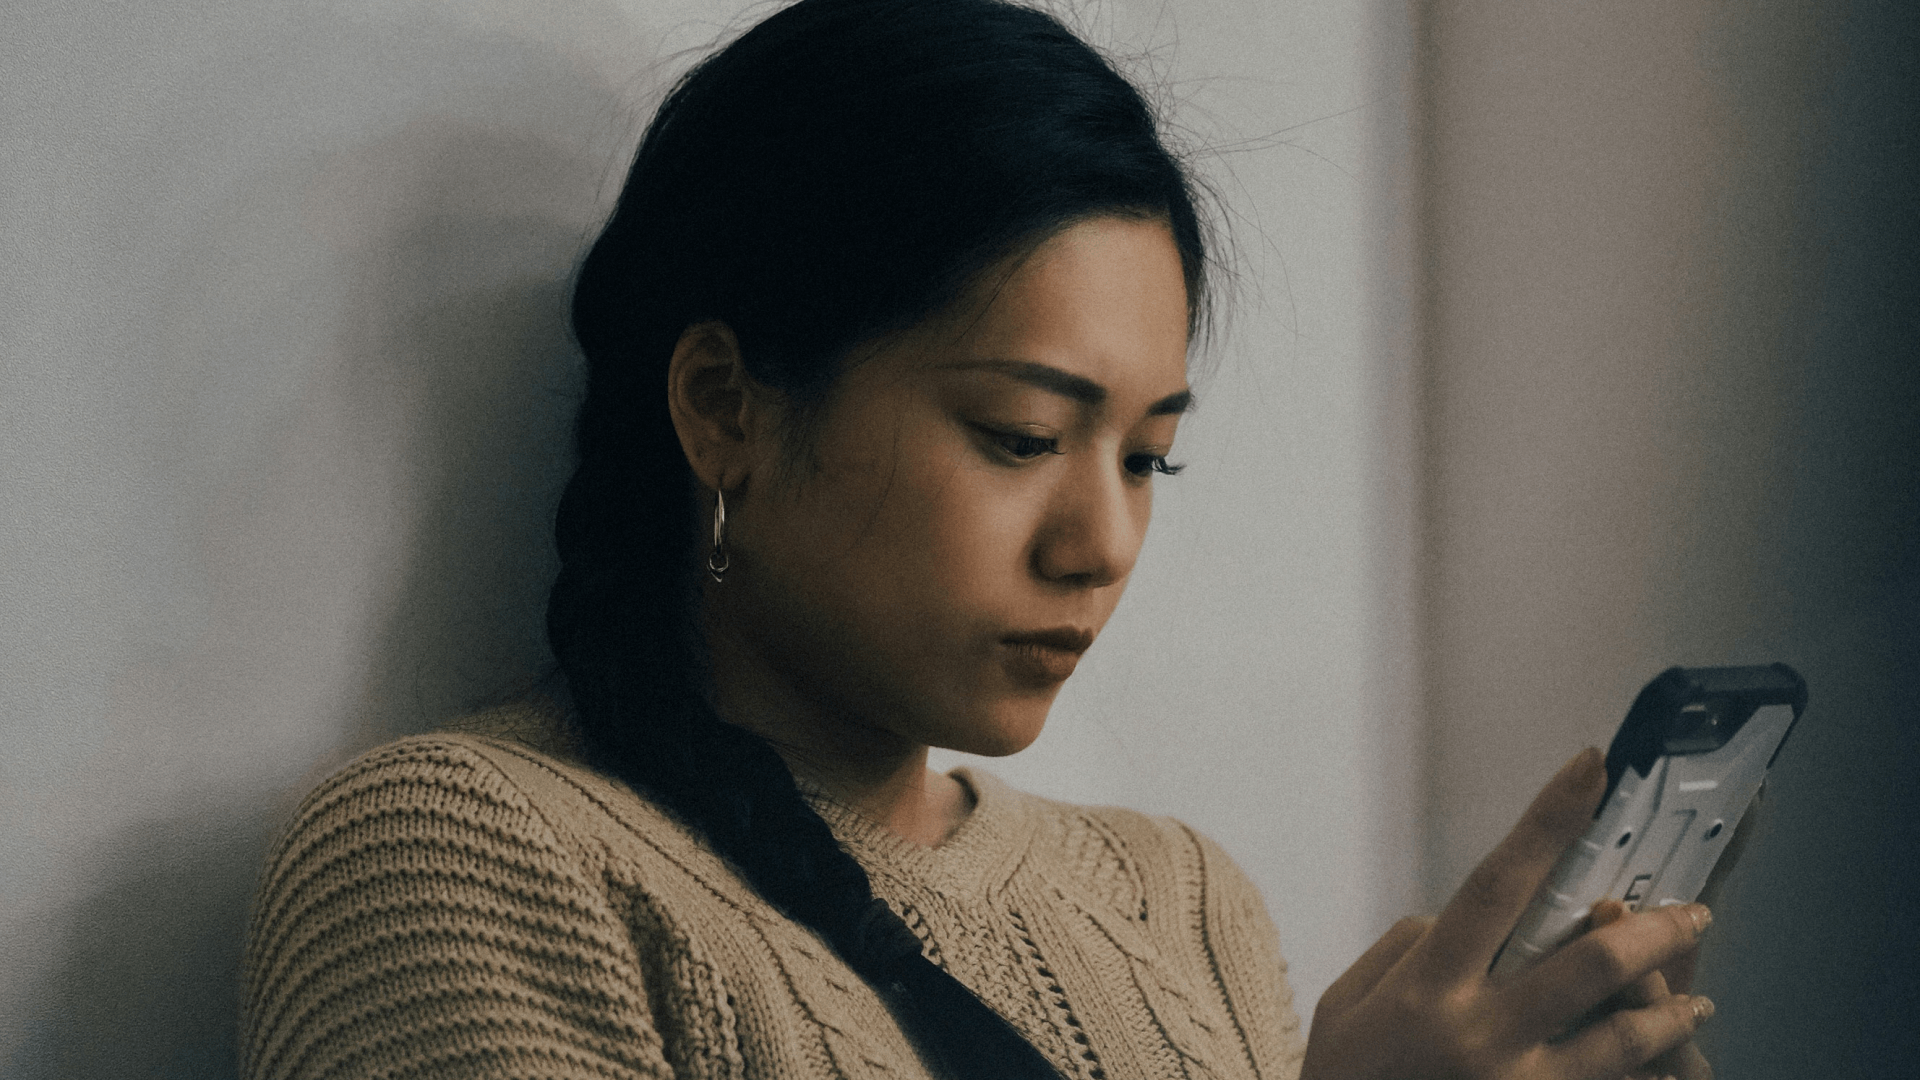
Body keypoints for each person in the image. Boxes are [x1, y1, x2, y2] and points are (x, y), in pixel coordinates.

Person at [239, 1, 1717, 1077]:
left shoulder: (1176, 900)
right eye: (1022, 437)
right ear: (723, 406)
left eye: (1149, 457)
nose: (1102, 542)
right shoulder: (461, 860)